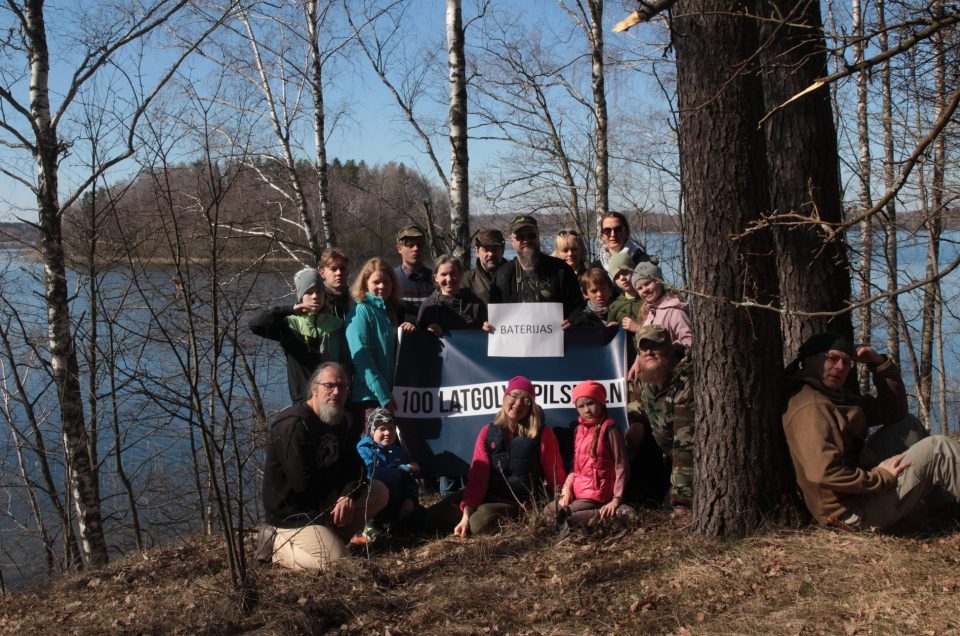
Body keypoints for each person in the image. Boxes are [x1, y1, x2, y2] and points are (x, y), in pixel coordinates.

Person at [783, 332, 960, 531]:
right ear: (809, 360)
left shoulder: (831, 395)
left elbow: (893, 411)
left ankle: (943, 508)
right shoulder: (810, 406)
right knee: (939, 449)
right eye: (831, 358)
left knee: (907, 424)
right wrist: (881, 477)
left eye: (847, 362)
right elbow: (823, 473)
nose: (840, 367)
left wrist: (878, 364)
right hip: (849, 515)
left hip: (859, 493)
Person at [262, 363, 388, 571]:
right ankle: (278, 548)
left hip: (324, 500)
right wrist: (337, 496)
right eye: (329, 386)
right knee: (339, 565)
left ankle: (333, 538)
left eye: (343, 387)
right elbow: (303, 484)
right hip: (293, 514)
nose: (336, 392)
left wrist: (347, 495)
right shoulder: (294, 425)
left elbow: (357, 468)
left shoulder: (339, 420)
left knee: (379, 492)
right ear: (314, 388)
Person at [427, 376, 566, 536]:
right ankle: (466, 517)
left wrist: (562, 498)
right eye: (513, 396)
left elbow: (554, 472)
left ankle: (480, 518)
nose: (518, 403)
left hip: (518, 503)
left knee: (479, 524)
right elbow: (478, 477)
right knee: (432, 517)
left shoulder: (542, 433)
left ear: (531, 406)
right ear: (505, 397)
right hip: (488, 494)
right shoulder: (487, 432)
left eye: (526, 399)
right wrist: (466, 512)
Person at [249, 267, 351, 403]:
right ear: (301, 296)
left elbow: (347, 363)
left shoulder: (337, 325)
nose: (315, 296)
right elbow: (255, 325)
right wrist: (289, 309)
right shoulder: (289, 325)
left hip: (334, 400)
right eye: (309, 292)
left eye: (319, 292)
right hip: (303, 402)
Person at [544, 381, 634, 527]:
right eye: (581, 406)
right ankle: (598, 513)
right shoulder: (578, 430)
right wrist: (567, 490)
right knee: (548, 511)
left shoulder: (610, 429)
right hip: (579, 491)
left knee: (566, 517)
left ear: (600, 402)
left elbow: (621, 465)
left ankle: (616, 512)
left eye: (590, 403)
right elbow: (574, 467)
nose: (587, 410)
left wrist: (616, 499)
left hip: (599, 494)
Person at [627, 325, 694, 514]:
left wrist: (682, 502)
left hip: (693, 464)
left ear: (669, 348)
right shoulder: (644, 378)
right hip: (667, 455)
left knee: (673, 506)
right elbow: (635, 401)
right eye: (644, 348)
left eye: (655, 346)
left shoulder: (686, 381)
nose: (649, 352)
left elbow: (686, 446)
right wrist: (636, 423)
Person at [346, 258, 415, 417]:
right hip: (371, 397)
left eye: (386, 281)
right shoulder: (361, 311)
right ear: (365, 283)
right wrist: (383, 394)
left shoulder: (390, 311)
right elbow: (362, 358)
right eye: (376, 282)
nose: (382, 286)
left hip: (393, 395)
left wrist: (408, 332)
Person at [490, 214, 584, 319]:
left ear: (538, 236)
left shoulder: (561, 270)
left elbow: (578, 308)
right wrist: (489, 325)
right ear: (512, 240)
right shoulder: (502, 275)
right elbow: (495, 316)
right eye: (520, 237)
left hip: (555, 334)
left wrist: (571, 320)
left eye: (531, 236)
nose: (526, 240)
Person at [356, 408, 424, 538]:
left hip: (395, 503)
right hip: (372, 502)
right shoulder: (363, 450)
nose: (388, 433)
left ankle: (398, 524)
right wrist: (404, 469)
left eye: (391, 428)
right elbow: (373, 475)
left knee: (421, 517)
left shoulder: (399, 452)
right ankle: (370, 525)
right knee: (383, 486)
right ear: (372, 430)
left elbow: (410, 482)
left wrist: (410, 499)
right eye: (382, 428)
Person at [625, 262, 693, 383]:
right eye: (640, 288)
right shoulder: (648, 314)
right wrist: (637, 362)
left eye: (647, 283)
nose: (644, 290)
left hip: (673, 374)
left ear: (659, 281)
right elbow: (644, 345)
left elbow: (689, 341)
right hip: (652, 374)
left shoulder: (674, 310)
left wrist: (669, 349)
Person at [417, 254, 488, 334]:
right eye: (443, 274)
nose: (449, 279)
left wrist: (487, 328)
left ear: (460, 275)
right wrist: (428, 330)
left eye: (453, 273)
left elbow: (485, 336)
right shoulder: (428, 306)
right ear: (436, 277)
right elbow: (419, 337)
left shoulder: (476, 304)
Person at [394, 224, 434, 319]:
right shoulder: (390, 279)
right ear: (399, 249)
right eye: (410, 245)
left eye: (420, 245)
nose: (416, 249)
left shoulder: (437, 279)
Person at [463, 229, 506, 304]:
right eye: (485, 249)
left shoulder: (516, 276)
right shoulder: (466, 281)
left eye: (494, 249)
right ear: (477, 251)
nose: (491, 254)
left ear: (502, 250)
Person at [321, 248, 353, 320]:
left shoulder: (356, 300)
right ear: (322, 273)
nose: (339, 273)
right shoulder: (318, 301)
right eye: (333, 269)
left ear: (348, 271)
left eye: (342, 268)